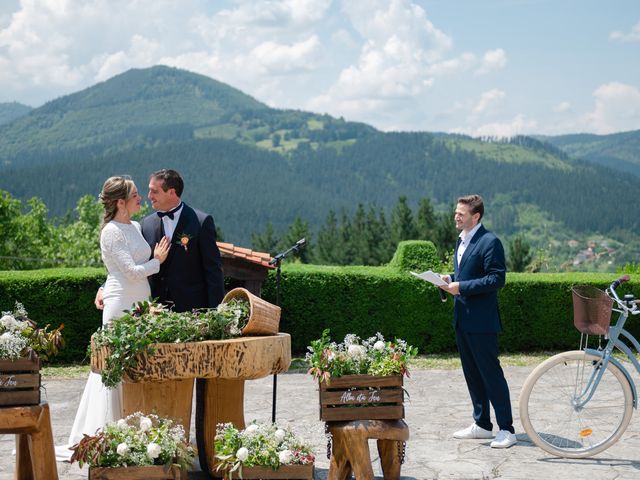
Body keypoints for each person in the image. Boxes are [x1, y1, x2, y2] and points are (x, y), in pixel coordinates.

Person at [56, 176, 170, 460]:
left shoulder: (133, 226)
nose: (140, 198)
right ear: (120, 202)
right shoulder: (110, 232)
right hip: (120, 304)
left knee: (139, 359)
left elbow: (117, 270)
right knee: (114, 365)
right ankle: (108, 430)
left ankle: (135, 425)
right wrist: (158, 261)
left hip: (140, 302)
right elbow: (129, 271)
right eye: (134, 195)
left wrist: (103, 285)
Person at [439, 194, 517, 449]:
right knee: (472, 375)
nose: (456, 216)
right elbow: (466, 275)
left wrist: (460, 286)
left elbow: (497, 279)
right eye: (455, 212)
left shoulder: (490, 242)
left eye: (461, 213)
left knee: (491, 376)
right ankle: (482, 425)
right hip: (462, 320)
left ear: (476, 216)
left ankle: (507, 429)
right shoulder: (461, 241)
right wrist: (448, 279)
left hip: (482, 323)